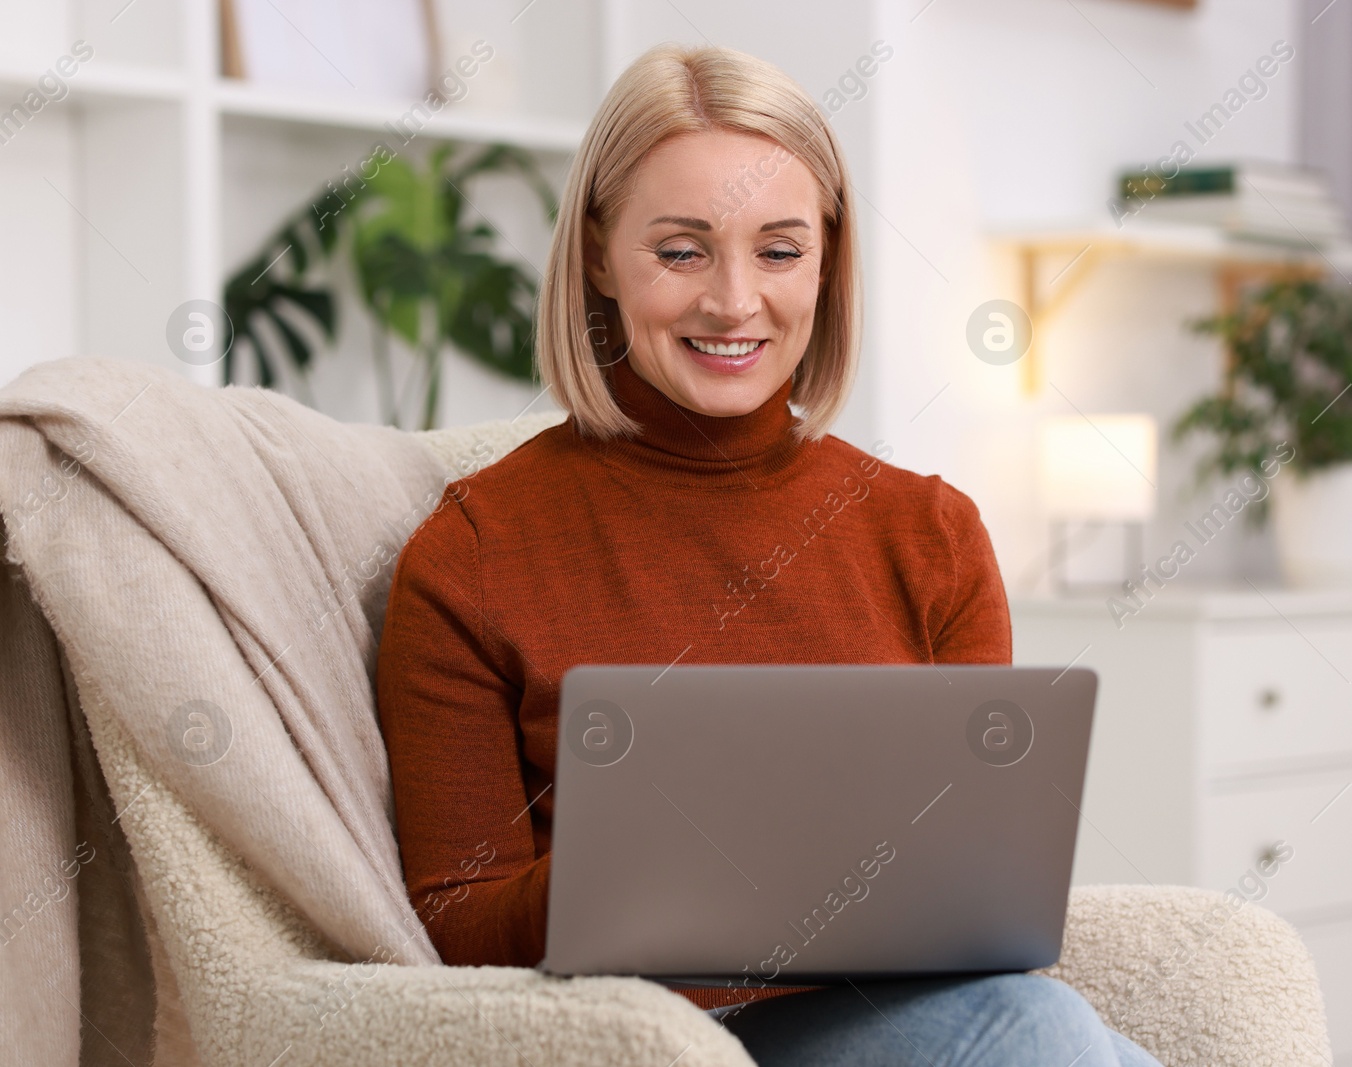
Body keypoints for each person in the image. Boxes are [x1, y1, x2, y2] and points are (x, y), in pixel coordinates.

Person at [376, 41, 1162, 1067]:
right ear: (600, 256)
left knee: (1046, 1030)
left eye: (779, 250)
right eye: (682, 250)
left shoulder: (931, 535)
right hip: (639, 1038)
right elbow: (453, 925)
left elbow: (974, 895)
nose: (735, 301)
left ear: (828, 260)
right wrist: (629, 868)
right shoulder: (471, 551)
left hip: (891, 1018)